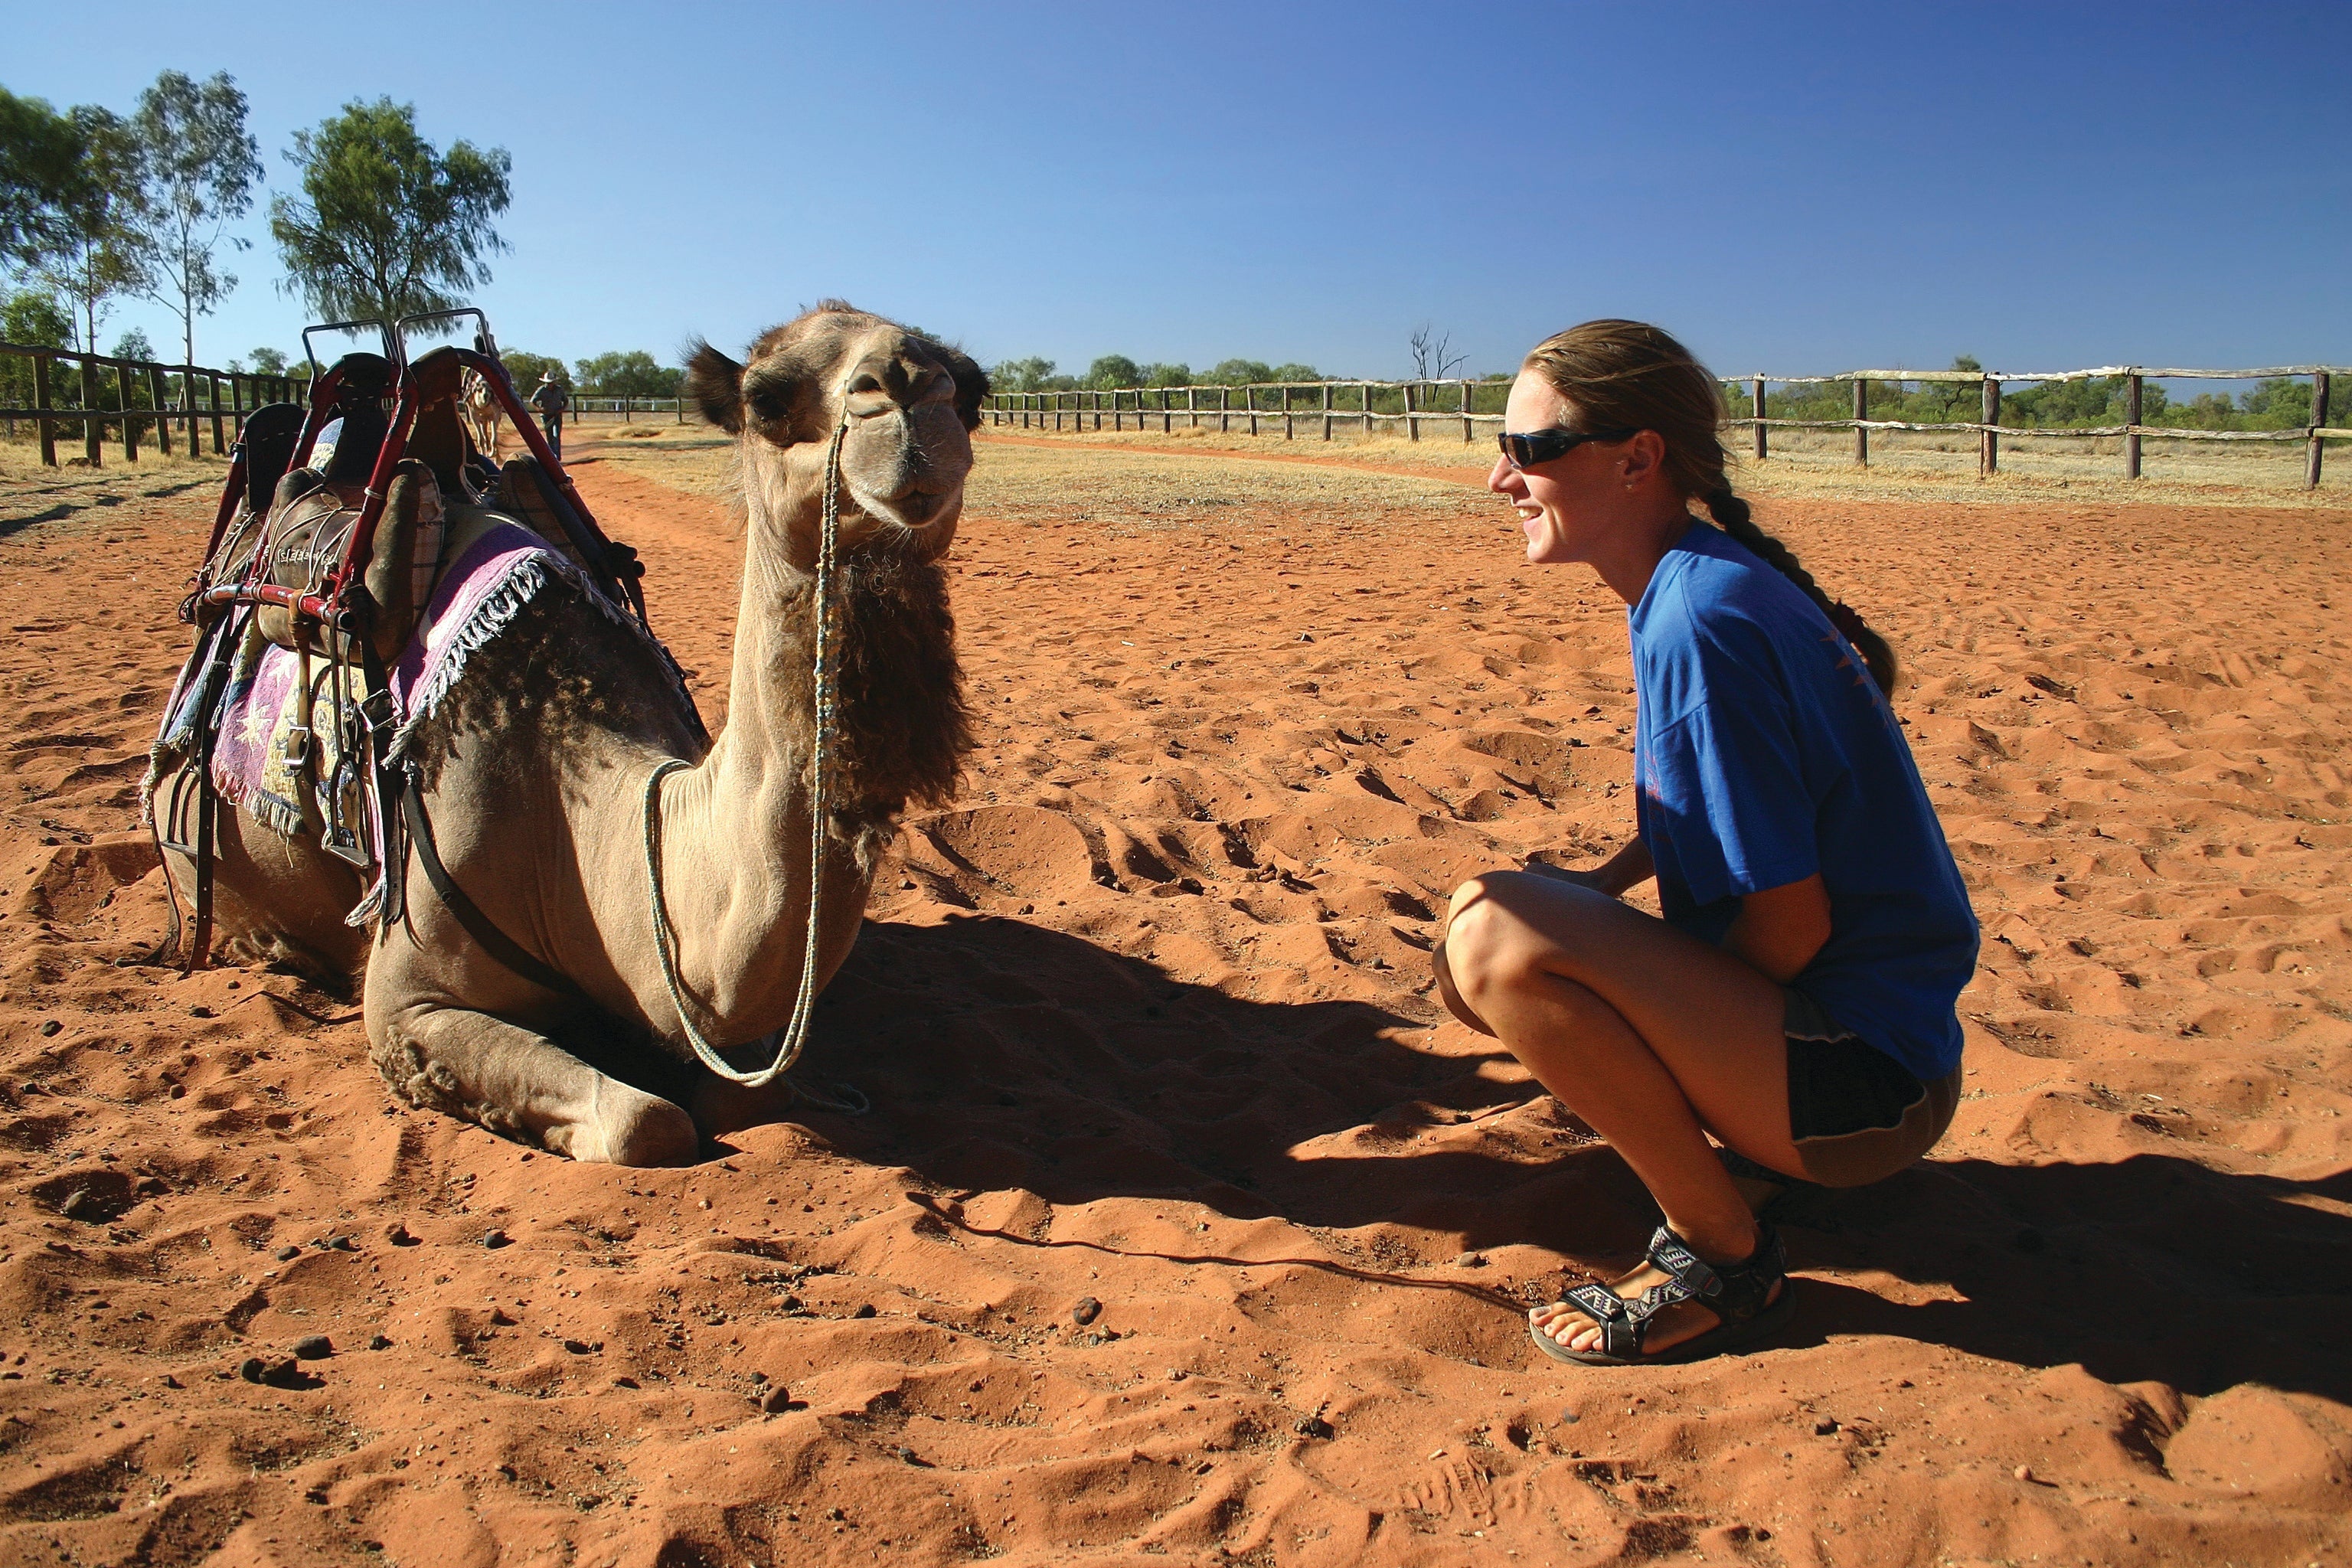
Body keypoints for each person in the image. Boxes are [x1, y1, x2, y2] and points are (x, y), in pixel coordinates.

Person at [1433, 319, 1978, 1367]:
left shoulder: (1701, 621)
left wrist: (1656, 1040)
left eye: (1529, 449)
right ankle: (1744, 1162)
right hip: (1882, 1059)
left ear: (1638, 459)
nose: (1500, 478)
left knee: (1496, 946)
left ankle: (1724, 1256)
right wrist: (1597, 894)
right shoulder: (1700, 581)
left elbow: (1792, 923)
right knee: (1488, 923)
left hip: (1864, 1092)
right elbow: (1706, 809)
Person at [531, 370, 570, 459]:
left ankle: (557, 457)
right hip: (546, 416)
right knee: (549, 436)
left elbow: (566, 401)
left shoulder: (559, 390)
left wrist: (561, 409)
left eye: (551, 383)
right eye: (548, 383)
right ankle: (551, 456)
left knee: (556, 435)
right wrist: (539, 409)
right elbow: (532, 401)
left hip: (556, 416)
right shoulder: (541, 390)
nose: (550, 384)